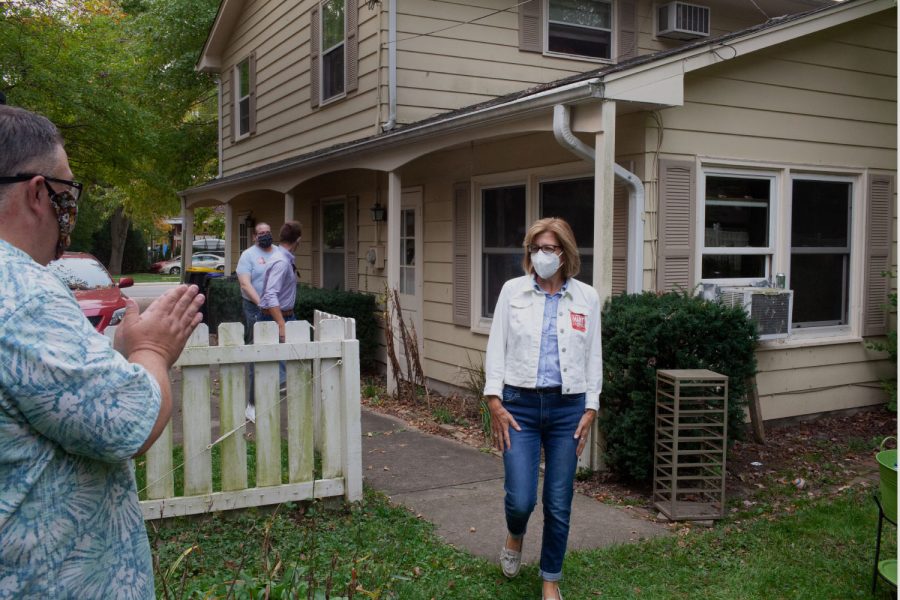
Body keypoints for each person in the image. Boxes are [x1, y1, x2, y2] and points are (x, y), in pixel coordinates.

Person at [0, 105, 204, 597]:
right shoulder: (24, 294)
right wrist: (152, 349)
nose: (71, 207)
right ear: (37, 193)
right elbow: (128, 423)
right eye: (66, 191)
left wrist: (114, 353)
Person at [483, 217, 602, 600]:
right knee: (521, 499)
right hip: (520, 407)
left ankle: (550, 579)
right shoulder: (512, 292)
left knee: (558, 500)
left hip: (568, 408)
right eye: (535, 248)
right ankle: (515, 533)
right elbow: (496, 347)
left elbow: (593, 358)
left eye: (549, 248)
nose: (541, 256)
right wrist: (494, 401)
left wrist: (590, 407)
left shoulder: (587, 297)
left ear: (565, 253)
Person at [236, 221, 276, 420]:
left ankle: (272, 395)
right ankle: (252, 403)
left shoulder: (279, 253)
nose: (265, 235)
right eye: (261, 233)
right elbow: (245, 283)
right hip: (254, 307)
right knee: (256, 351)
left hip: (278, 309)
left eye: (268, 232)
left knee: (277, 350)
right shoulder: (248, 255)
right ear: (254, 236)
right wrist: (262, 303)